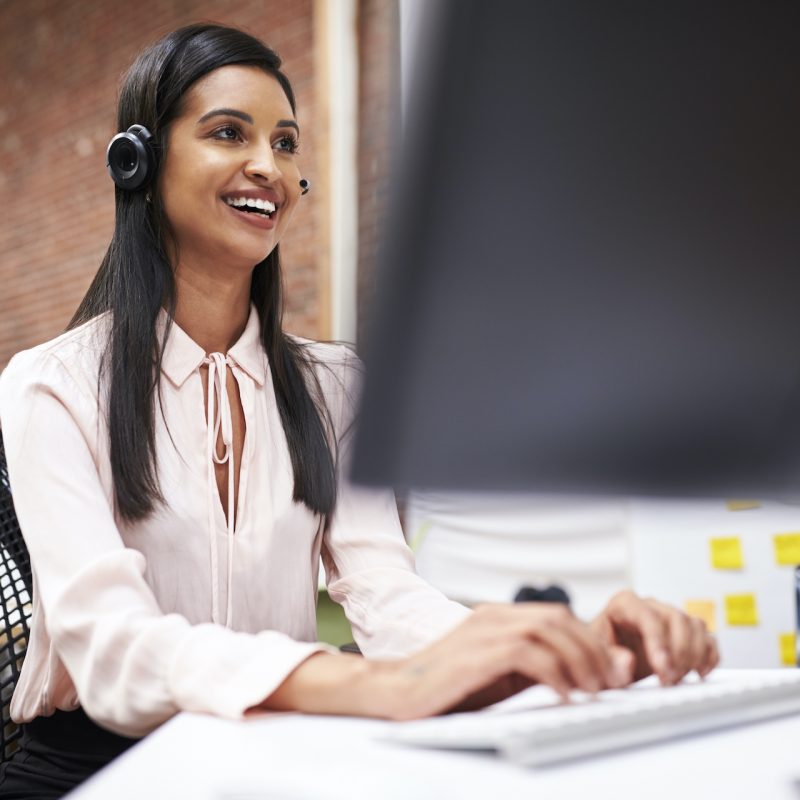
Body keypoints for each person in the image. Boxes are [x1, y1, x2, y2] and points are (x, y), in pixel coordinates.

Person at [0, 23, 718, 797]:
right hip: (96, 765)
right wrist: (366, 687)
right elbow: (113, 648)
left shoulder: (333, 384)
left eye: (285, 143)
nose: (266, 166)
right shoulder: (54, 384)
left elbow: (385, 593)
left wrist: (560, 649)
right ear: (138, 160)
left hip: (274, 748)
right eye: (228, 133)